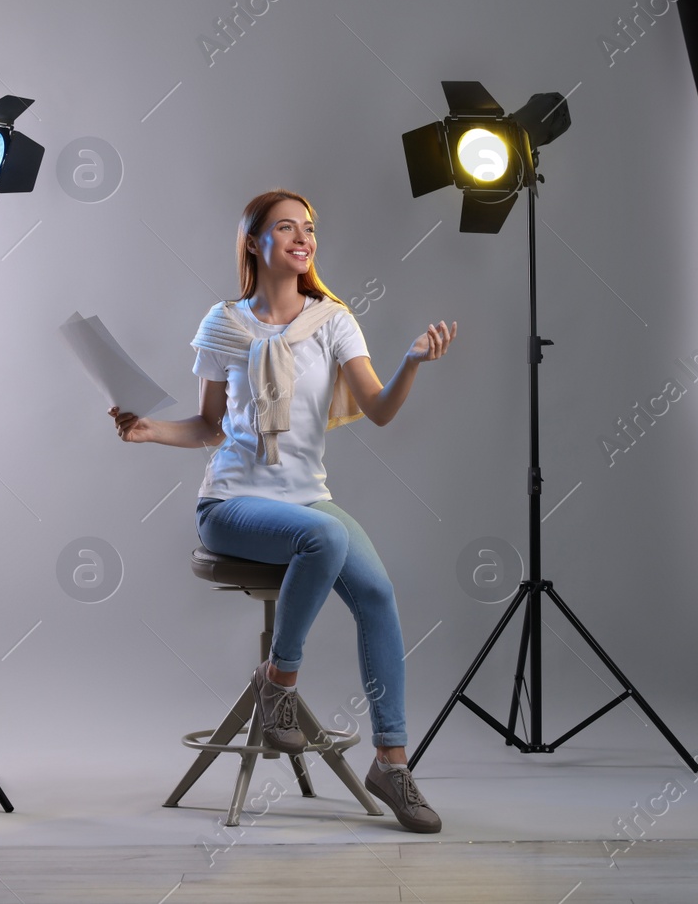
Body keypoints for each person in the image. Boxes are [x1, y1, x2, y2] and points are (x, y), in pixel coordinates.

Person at [109, 188, 457, 834]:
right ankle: (280, 683)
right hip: (232, 504)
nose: (304, 238)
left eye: (310, 228)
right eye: (287, 227)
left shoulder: (333, 321)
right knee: (323, 537)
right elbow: (211, 426)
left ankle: (392, 760)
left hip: (305, 502)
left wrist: (410, 361)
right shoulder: (223, 323)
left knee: (377, 596)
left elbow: (378, 410)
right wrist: (150, 431)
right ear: (254, 242)